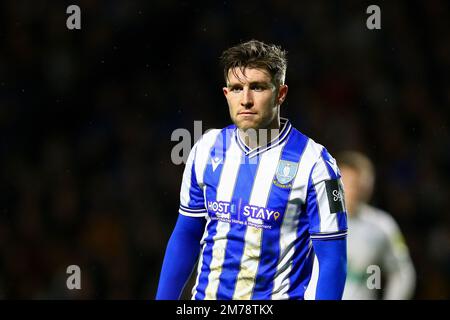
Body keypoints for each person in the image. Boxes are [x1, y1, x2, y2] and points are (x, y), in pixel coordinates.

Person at [156, 40, 348, 300]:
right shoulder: (206, 148)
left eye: (257, 87)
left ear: (280, 93)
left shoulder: (315, 164)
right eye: (237, 88)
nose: (245, 99)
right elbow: (186, 234)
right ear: (226, 94)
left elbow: (333, 260)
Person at [336, 151, 416, 299]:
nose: (350, 190)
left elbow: (402, 272)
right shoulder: (312, 220)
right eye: (345, 182)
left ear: (367, 186)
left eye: (355, 184)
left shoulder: (382, 225)